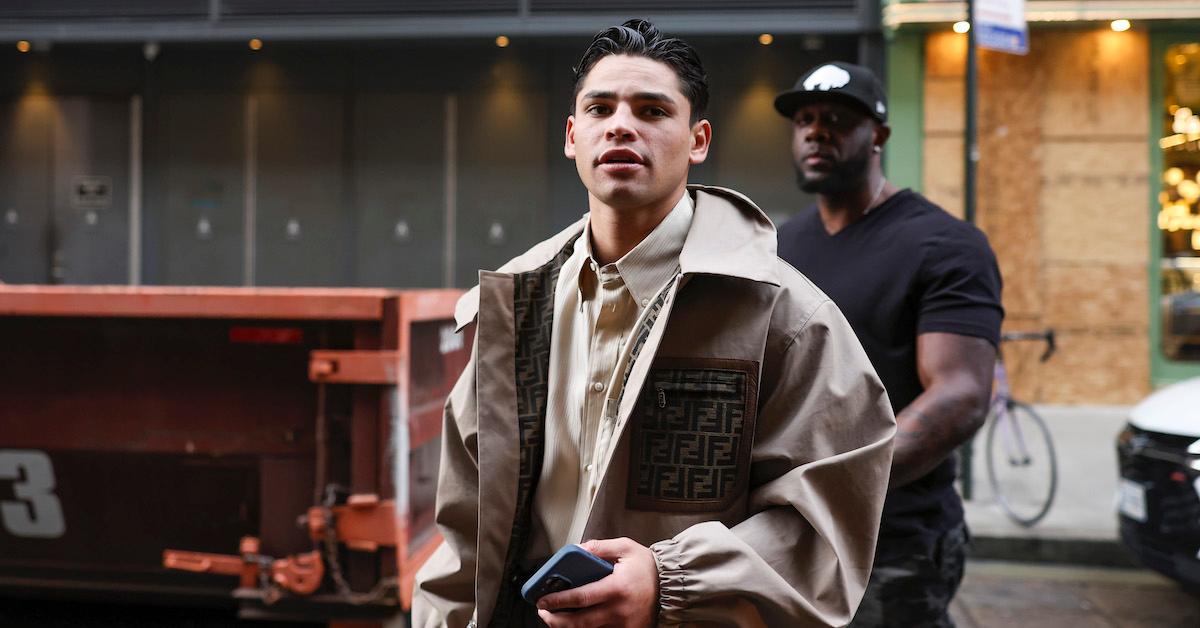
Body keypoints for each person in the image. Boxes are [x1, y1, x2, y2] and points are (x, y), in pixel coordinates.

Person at [413, 22, 896, 628]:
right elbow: (466, 531)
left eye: (652, 110)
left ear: (698, 140)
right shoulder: (515, 307)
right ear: (572, 136)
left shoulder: (784, 315)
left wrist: (671, 581)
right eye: (600, 107)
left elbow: (824, 528)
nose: (621, 124)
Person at [773, 62, 1004, 627]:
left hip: (894, 539)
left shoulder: (945, 244)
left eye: (835, 119)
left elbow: (961, 394)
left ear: (878, 134)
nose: (815, 131)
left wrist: (834, 485)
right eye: (804, 119)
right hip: (786, 531)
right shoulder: (779, 245)